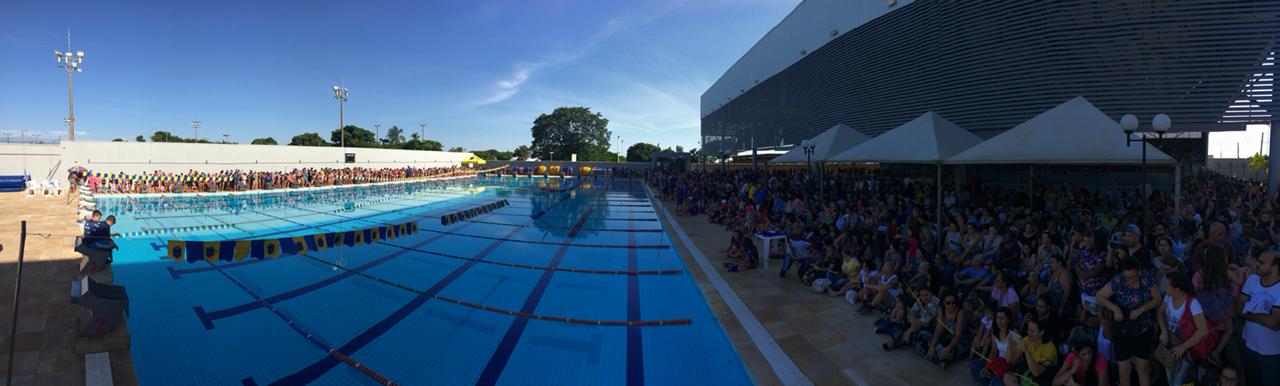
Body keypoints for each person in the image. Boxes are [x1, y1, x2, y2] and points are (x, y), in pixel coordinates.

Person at [1094, 258, 1160, 386]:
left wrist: (1142, 309)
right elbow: (1099, 295)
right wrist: (1115, 308)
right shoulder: (1118, 280)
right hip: (1123, 328)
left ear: (1139, 272)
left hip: (1143, 328)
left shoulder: (1147, 279)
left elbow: (1157, 298)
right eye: (1127, 277)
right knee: (1124, 369)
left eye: (1133, 276)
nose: (1131, 280)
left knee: (1143, 369)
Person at [1156, 271, 1211, 386]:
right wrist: (1164, 331)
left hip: (1186, 352)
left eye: (1167, 287)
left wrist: (1183, 347)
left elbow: (1203, 330)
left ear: (1178, 289)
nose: (1164, 289)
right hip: (1170, 346)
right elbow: (1160, 313)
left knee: (1179, 383)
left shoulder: (1193, 304)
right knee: (1171, 381)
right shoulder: (1168, 297)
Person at [1237, 250, 1280, 386]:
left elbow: (1273, 323)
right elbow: (1239, 308)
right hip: (1248, 345)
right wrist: (1262, 313)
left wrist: (1249, 308)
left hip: (1271, 353)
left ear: (1274, 268)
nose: (1256, 264)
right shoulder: (1252, 280)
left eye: (1261, 263)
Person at [970, 307, 1022, 386]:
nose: (999, 321)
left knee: (998, 383)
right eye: (997, 318)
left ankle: (993, 379)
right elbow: (993, 351)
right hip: (997, 362)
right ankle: (991, 380)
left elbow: (1013, 360)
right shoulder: (995, 331)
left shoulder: (1014, 334)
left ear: (1008, 320)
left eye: (1002, 318)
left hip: (1009, 367)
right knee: (974, 365)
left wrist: (997, 369)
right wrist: (989, 365)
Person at [919, 292, 969, 369]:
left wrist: (949, 347)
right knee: (924, 337)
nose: (951, 305)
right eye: (948, 303)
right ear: (943, 303)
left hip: (960, 338)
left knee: (950, 351)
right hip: (947, 335)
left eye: (953, 302)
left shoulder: (960, 312)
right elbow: (938, 329)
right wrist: (932, 346)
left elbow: (958, 335)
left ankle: (939, 357)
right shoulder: (941, 309)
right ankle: (940, 358)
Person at [1022, 318, 1059, 386]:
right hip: (1030, 376)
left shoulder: (1049, 348)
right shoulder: (1027, 340)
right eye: (1028, 329)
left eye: (1032, 331)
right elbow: (1011, 361)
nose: (1029, 333)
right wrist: (1011, 343)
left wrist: (1026, 350)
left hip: (1045, 379)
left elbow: (1037, 372)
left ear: (1041, 332)